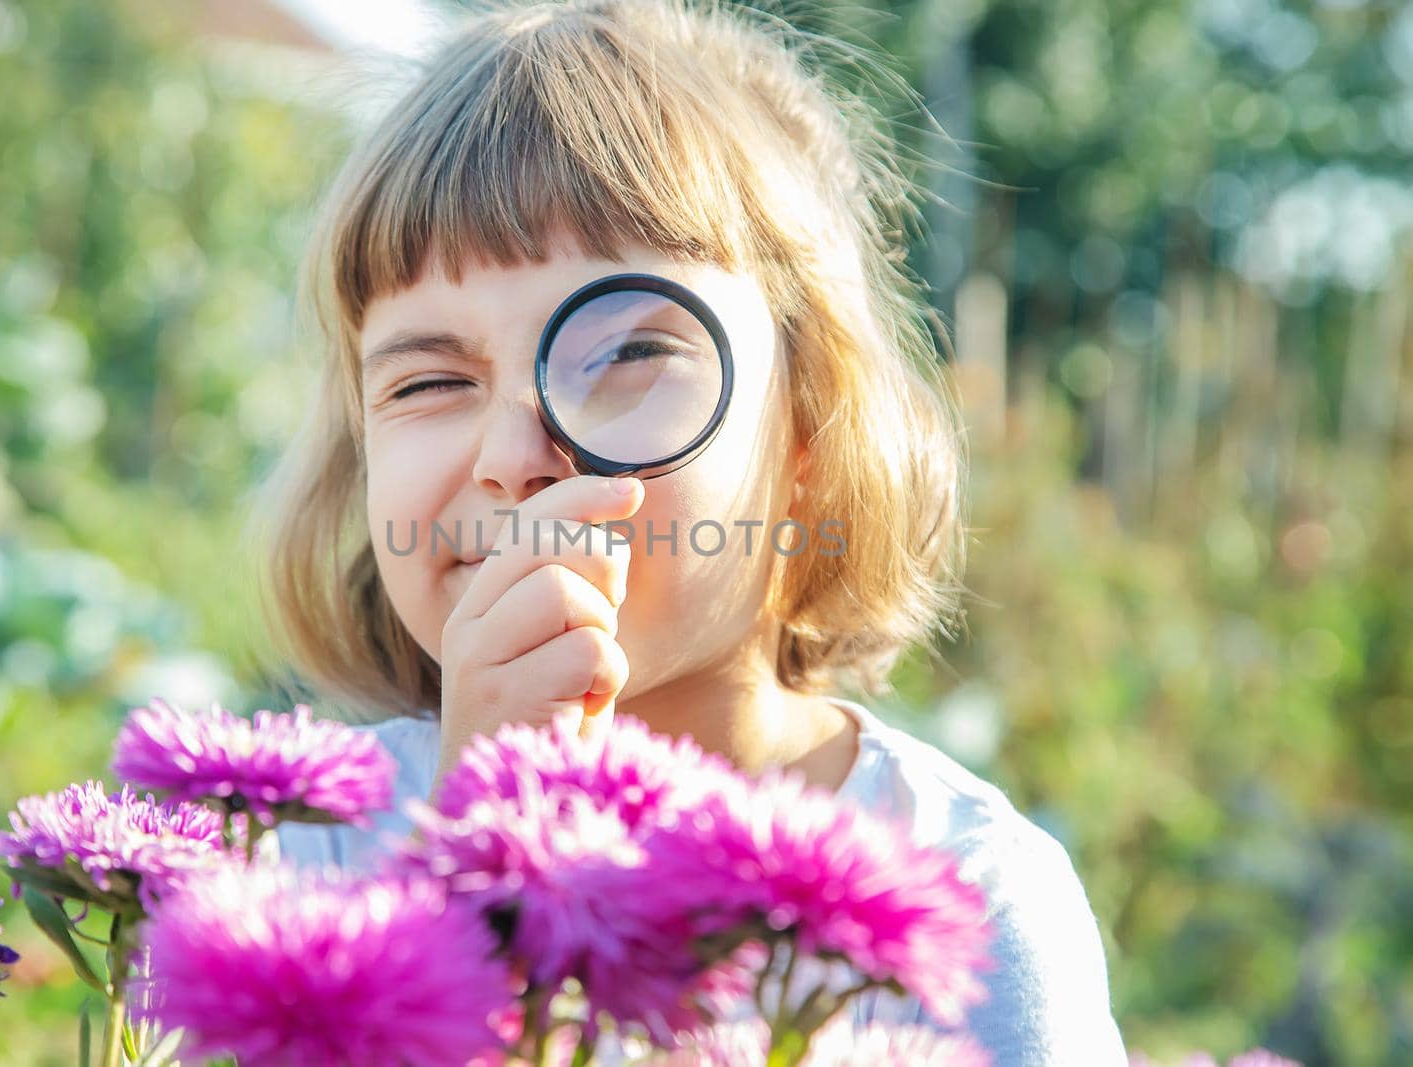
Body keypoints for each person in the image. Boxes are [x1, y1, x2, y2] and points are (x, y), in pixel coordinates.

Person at [260, 1, 1129, 1062]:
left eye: (626, 354)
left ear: (810, 429)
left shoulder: (967, 893)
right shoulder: (301, 850)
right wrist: (477, 861)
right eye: (431, 378)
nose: (513, 452)